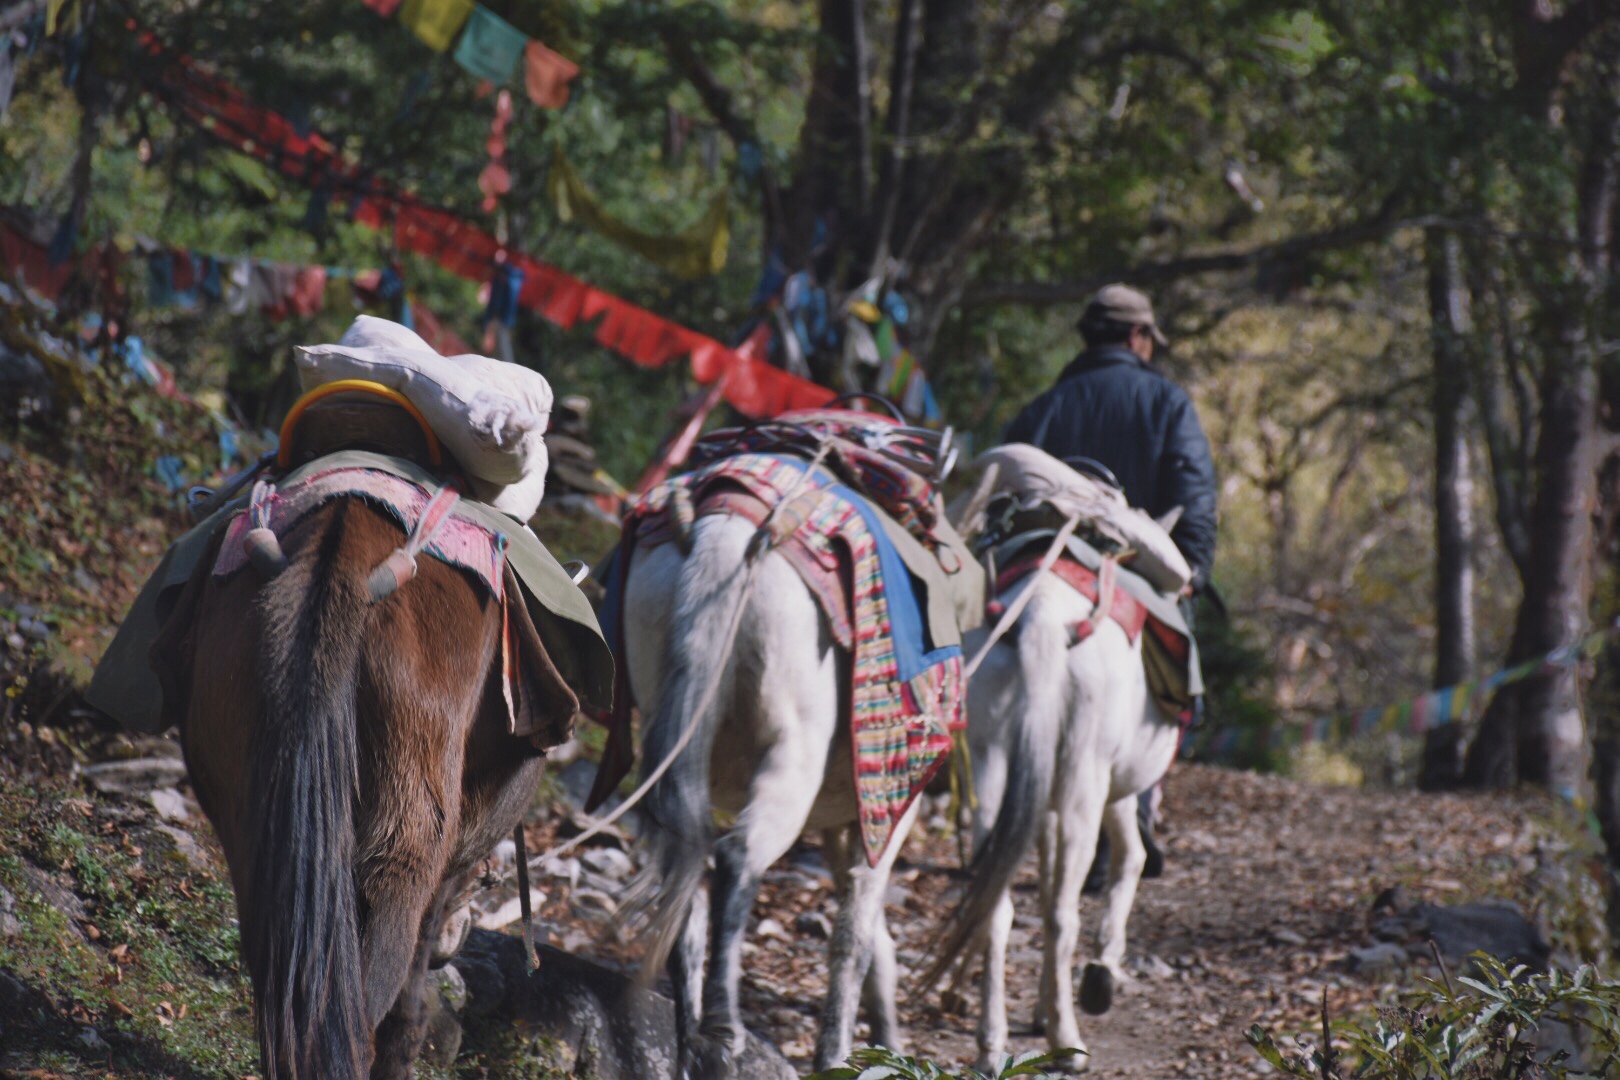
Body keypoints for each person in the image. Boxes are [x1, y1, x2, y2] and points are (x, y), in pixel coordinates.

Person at [1002, 283, 1218, 889]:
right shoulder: (1168, 403)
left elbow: (1004, 493)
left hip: (1046, 565)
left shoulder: (1042, 407)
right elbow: (1194, 494)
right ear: (1137, 338)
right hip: (1136, 564)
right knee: (1170, 679)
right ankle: (1139, 803)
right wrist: (1192, 571)